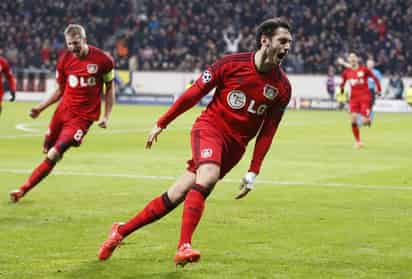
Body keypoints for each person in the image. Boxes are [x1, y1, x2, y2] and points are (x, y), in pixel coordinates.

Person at [98, 18, 292, 266]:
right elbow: (194, 93)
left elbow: (268, 131)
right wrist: (163, 121)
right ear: (265, 40)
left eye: (289, 43)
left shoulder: (282, 88)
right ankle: (184, 246)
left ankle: (120, 231)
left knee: (178, 193)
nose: (287, 48)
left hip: (235, 148)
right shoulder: (230, 64)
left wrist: (254, 170)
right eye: (282, 41)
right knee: (208, 176)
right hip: (210, 128)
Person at [9, 24, 115, 202]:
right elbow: (60, 90)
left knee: (54, 153)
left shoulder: (103, 61)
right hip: (63, 110)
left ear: (84, 39)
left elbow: (110, 88)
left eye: (76, 43)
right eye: (69, 44)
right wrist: (40, 108)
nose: (73, 47)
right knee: (47, 148)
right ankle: (50, 140)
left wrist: (106, 116)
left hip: (82, 118)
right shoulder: (65, 60)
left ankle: (22, 190)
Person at [340, 52, 381, 148]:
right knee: (353, 119)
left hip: (365, 97)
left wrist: (379, 90)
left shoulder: (364, 69)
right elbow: (343, 83)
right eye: (350, 58)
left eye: (354, 57)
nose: (352, 59)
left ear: (357, 59)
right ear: (349, 60)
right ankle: (358, 142)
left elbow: (375, 78)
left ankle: (368, 120)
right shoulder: (346, 72)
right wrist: (341, 91)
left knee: (364, 121)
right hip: (353, 98)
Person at [365, 58, 382, 125]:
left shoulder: (376, 72)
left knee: (370, 106)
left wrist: (378, 91)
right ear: (366, 64)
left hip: (371, 91)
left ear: (373, 65)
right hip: (364, 90)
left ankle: (369, 120)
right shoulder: (363, 71)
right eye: (369, 64)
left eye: (371, 64)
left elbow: (378, 82)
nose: (370, 65)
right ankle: (365, 119)